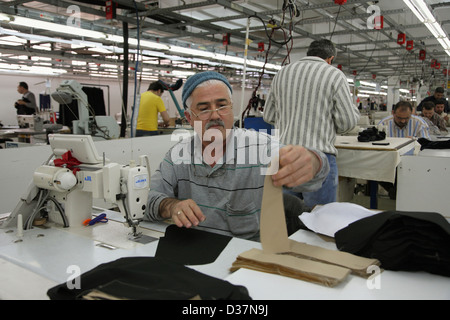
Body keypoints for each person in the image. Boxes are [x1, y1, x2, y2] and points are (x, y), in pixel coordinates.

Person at [144, 71, 330, 240]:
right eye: (204, 108)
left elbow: (311, 174)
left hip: (247, 258)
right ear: (189, 117)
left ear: (232, 109)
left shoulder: (259, 149)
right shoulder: (178, 156)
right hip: (194, 252)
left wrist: (313, 162)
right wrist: (171, 206)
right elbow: (148, 200)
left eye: (222, 105)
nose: (215, 115)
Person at [263, 39, 359, 208]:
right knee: (319, 220)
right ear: (330, 59)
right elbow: (347, 123)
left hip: (285, 156)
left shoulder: (282, 73)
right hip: (319, 160)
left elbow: (269, 115)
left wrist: (288, 118)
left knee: (286, 217)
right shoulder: (334, 75)